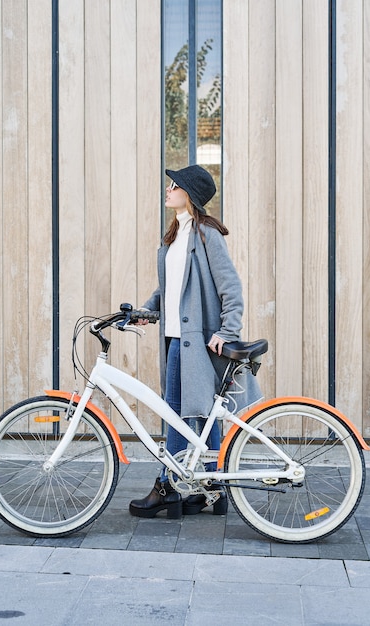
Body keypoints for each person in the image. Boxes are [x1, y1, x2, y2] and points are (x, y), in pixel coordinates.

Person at [129, 164, 262, 519]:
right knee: (196, 415)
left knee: (181, 414)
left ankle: (167, 487)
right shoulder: (175, 234)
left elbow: (231, 287)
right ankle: (212, 489)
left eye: (174, 186)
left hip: (200, 343)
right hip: (175, 339)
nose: (168, 190)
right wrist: (148, 309)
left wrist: (227, 332)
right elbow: (170, 287)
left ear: (190, 194)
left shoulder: (206, 234)